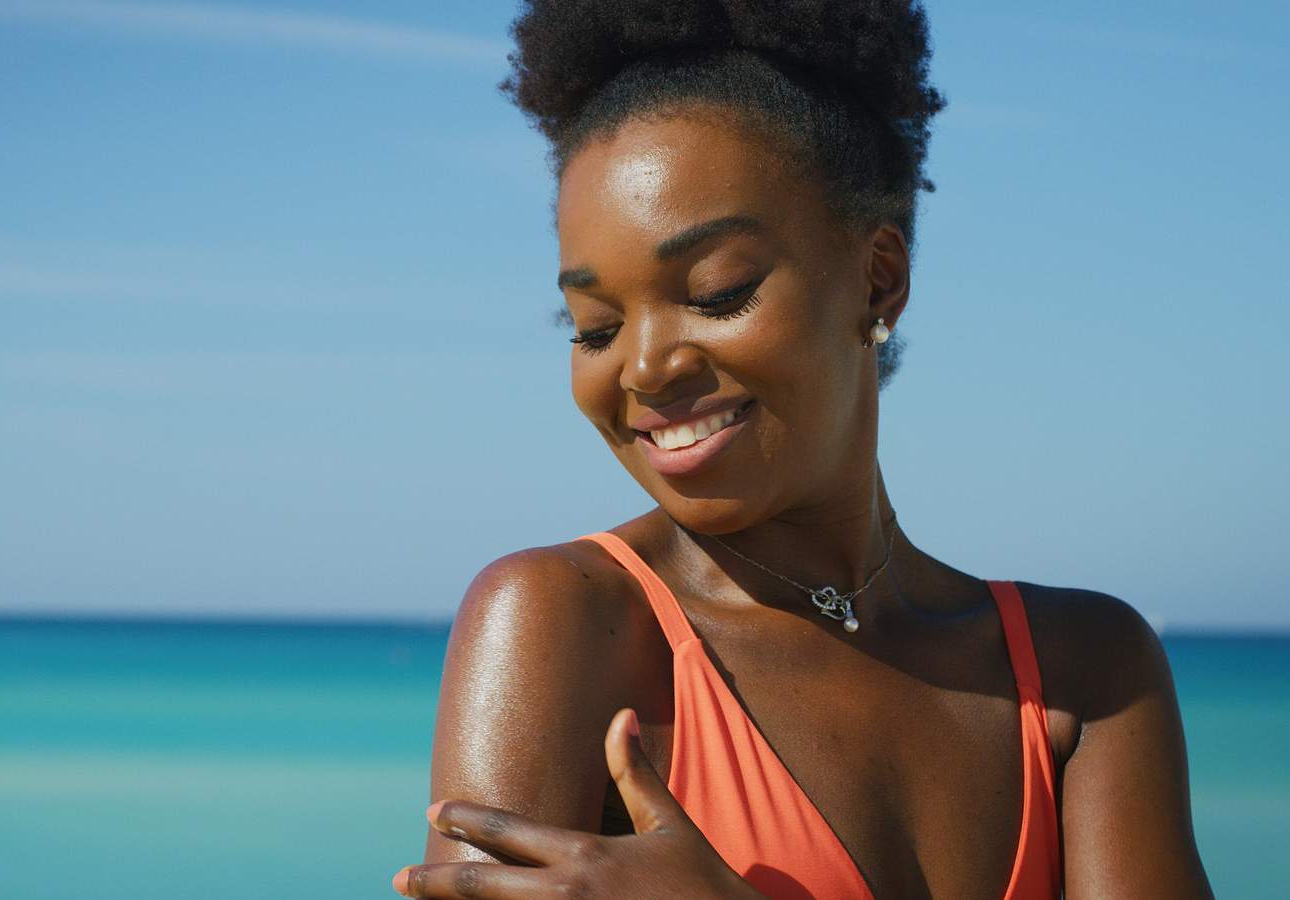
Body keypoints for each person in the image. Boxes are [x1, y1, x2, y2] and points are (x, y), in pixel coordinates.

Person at [390, 1, 1214, 897]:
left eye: (717, 292)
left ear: (878, 279)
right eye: (594, 327)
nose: (646, 367)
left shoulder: (1085, 673)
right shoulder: (566, 622)